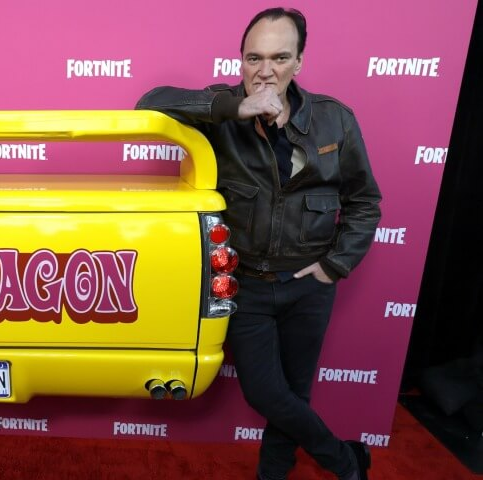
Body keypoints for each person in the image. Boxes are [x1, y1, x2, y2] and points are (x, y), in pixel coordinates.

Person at [136, 7, 381, 480]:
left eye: (279, 57)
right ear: (241, 61)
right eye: (254, 58)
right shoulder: (222, 109)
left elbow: (364, 201)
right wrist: (234, 108)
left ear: (299, 62)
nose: (265, 70)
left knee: (294, 393)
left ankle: (273, 472)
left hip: (310, 285)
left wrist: (334, 265)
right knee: (266, 393)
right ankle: (346, 461)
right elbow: (149, 104)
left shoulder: (335, 121)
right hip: (245, 284)